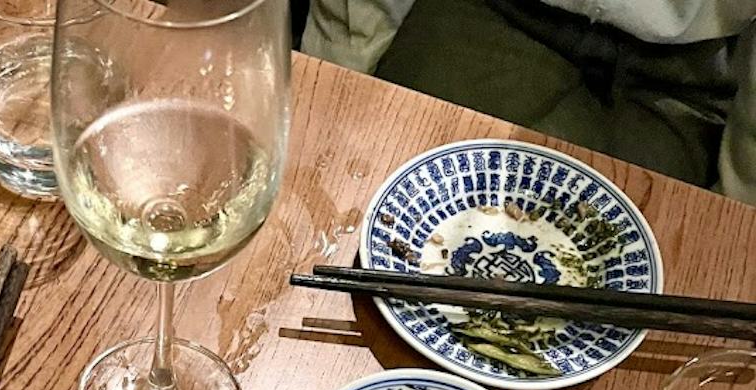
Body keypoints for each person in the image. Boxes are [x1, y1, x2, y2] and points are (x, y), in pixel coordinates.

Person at [301, 0, 756, 202]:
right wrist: (331, 91)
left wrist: (741, 213)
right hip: (495, 15)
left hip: (700, 65)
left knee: (626, 300)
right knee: (404, 231)